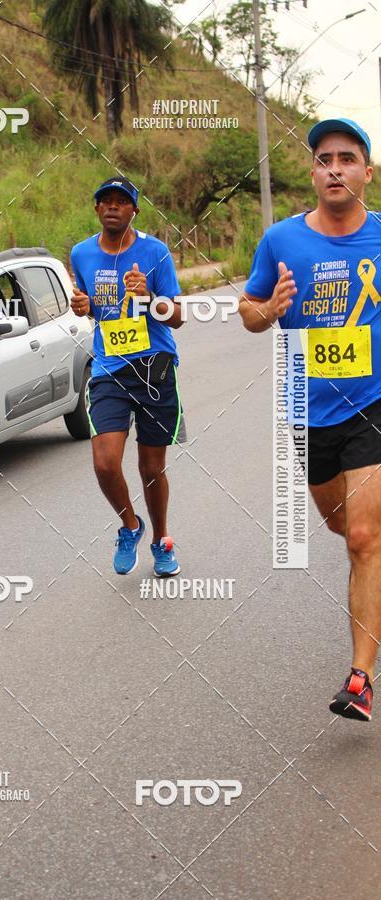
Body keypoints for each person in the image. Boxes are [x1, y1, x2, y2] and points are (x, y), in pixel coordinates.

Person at [239, 118, 380, 721]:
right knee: (337, 526)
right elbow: (246, 310)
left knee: (363, 537)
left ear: (367, 173)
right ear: (312, 171)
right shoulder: (281, 240)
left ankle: (360, 679)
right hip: (309, 409)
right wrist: (270, 307)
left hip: (373, 404)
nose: (335, 169)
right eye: (324, 159)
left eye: (347, 159)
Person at [70, 176, 185, 577]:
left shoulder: (155, 252)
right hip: (109, 369)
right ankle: (130, 526)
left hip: (155, 366)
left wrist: (148, 299)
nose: (114, 207)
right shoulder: (81, 254)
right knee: (105, 463)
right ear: (97, 208)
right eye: (107, 201)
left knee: (152, 468)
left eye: (123, 201)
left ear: (135, 210)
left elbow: (179, 316)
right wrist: (82, 306)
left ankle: (162, 540)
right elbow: (90, 308)